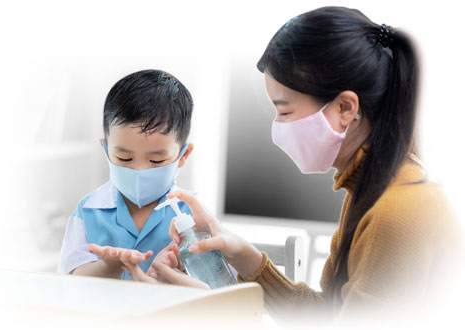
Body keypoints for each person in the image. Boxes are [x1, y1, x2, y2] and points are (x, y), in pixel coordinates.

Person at [114, 6, 464, 325]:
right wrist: (248, 259)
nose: (277, 129)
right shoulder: (375, 187)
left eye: (284, 111)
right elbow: (330, 315)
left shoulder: (396, 212)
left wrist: (214, 310)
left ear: (345, 108)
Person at [57, 69, 196, 280]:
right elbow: (70, 279)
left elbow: (217, 288)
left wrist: (180, 274)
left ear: (183, 155)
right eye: (124, 158)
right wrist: (108, 267)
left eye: (157, 161)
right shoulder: (87, 212)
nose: (139, 171)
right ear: (106, 150)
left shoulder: (195, 216)